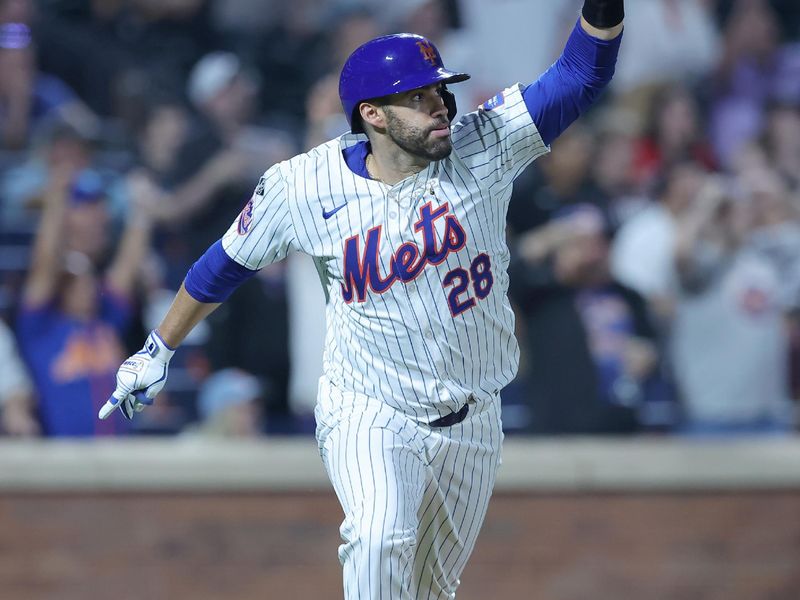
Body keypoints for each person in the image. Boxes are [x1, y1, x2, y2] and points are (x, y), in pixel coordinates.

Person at [99, 1, 625, 597]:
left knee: (427, 590)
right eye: (420, 98)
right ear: (372, 115)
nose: (441, 108)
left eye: (441, 92)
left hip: (474, 417)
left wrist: (602, 8)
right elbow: (221, 266)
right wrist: (158, 348)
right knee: (377, 539)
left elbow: (583, 76)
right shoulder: (303, 185)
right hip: (369, 408)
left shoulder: (486, 142)